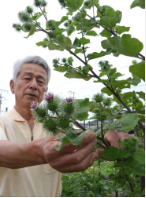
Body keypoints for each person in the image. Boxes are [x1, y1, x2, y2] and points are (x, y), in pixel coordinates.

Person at [0, 55, 130, 197]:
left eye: (40, 81)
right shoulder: (2, 122)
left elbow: (82, 141)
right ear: (12, 86)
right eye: (27, 78)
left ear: (45, 91)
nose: (33, 85)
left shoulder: (57, 125)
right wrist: (42, 151)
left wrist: (105, 140)